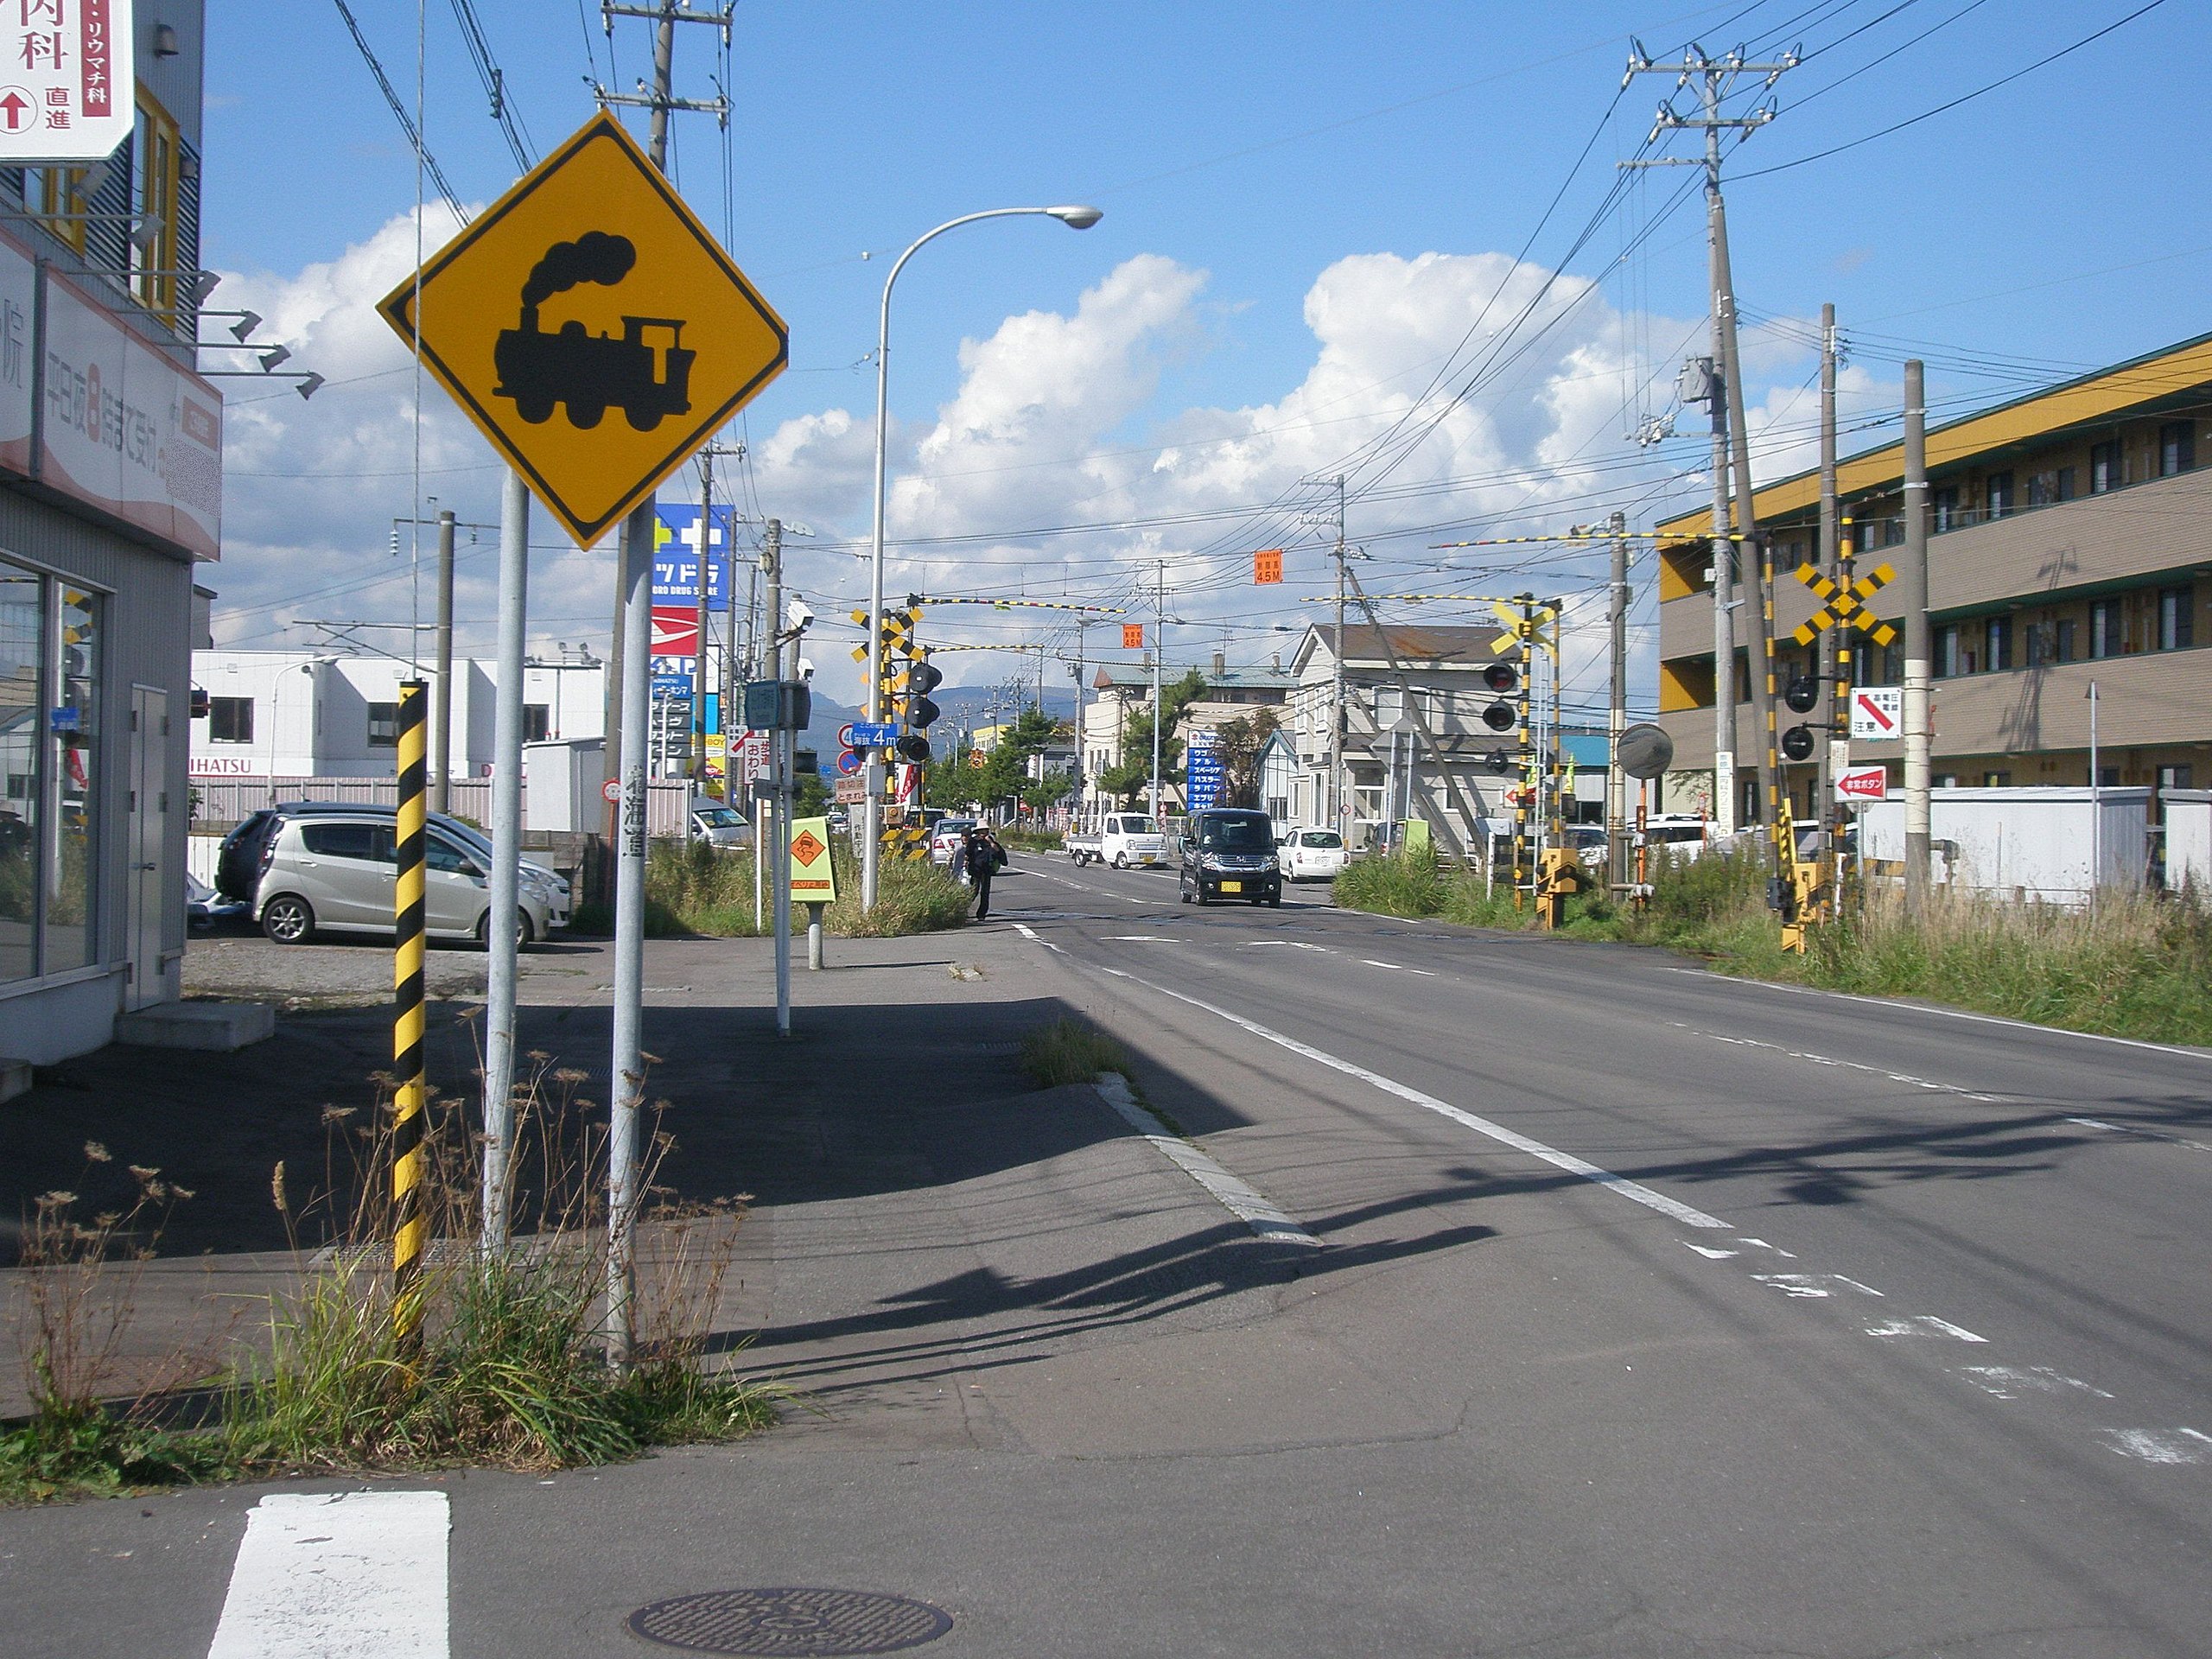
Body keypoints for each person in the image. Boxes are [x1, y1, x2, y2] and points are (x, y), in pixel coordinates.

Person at [963, 825, 1006, 921]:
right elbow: (968, 853)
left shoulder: (990, 841)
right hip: (976, 869)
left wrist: (991, 842)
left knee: (985, 892)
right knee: (974, 890)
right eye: (981, 830)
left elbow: (998, 851)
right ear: (978, 831)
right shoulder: (973, 841)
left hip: (987, 870)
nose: (983, 832)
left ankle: (982, 914)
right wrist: (966, 861)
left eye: (985, 830)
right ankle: (963, 908)